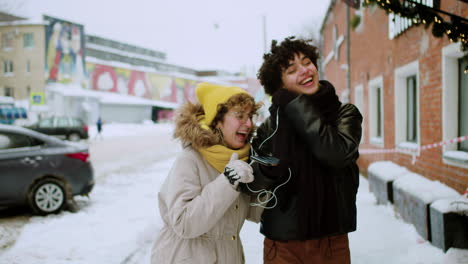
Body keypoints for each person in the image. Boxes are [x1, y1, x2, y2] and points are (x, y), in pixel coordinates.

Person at [249, 37, 363, 263]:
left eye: (307, 62)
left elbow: (336, 154)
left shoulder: (345, 114)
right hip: (282, 244)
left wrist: (295, 105)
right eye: (292, 70)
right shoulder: (270, 128)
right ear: (279, 85)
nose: (304, 70)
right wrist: (269, 170)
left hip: (331, 241)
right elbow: (253, 184)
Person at [151, 82, 264, 264]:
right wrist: (228, 181)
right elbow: (184, 223)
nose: (249, 123)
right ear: (217, 120)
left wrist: (269, 179)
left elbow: (254, 213)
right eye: (240, 115)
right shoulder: (190, 159)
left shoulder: (241, 160)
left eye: (251, 116)